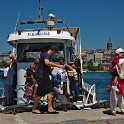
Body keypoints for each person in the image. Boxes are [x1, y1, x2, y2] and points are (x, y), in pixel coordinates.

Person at [32, 45, 63, 114]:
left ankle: (49, 108)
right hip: (42, 77)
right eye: (55, 52)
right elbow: (47, 63)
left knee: (50, 91)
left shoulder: (46, 55)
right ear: (53, 51)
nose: (55, 54)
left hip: (44, 77)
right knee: (41, 94)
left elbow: (46, 65)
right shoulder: (46, 55)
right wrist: (57, 65)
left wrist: (50, 69)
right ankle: (35, 108)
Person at [108, 48, 124, 116]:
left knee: (120, 96)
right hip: (118, 80)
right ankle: (114, 110)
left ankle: (120, 109)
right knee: (116, 96)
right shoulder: (116, 60)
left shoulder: (119, 60)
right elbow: (112, 70)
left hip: (120, 80)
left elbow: (111, 70)